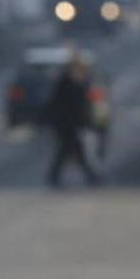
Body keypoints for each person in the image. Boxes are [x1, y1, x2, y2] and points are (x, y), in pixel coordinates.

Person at [43, 52, 101, 187]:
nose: (81, 70)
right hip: (65, 124)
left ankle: (55, 176)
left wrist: (88, 120)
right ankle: (90, 176)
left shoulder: (82, 82)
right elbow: (56, 104)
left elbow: (85, 104)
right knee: (74, 150)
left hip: (76, 123)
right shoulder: (64, 82)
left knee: (66, 150)